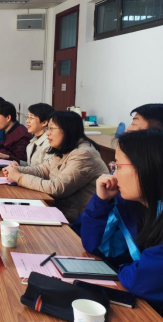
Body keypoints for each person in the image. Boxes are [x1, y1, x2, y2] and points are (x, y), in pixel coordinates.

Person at [79, 129, 163, 313]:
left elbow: (141, 279)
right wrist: (101, 202)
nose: (113, 175)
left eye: (118, 166)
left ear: (146, 166)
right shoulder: (131, 205)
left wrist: (125, 268)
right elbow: (95, 246)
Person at [3, 111, 108, 222]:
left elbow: (57, 187)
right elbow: (42, 170)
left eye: (51, 128)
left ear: (67, 130)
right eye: (47, 129)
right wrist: (17, 170)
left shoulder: (83, 154)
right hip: (61, 210)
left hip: (77, 221)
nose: (47, 133)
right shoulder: (65, 148)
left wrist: (19, 177)